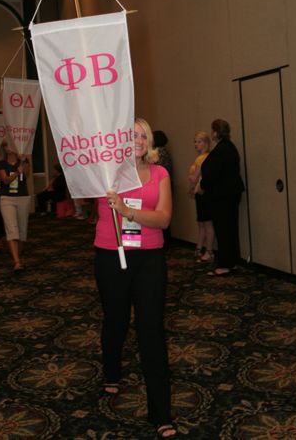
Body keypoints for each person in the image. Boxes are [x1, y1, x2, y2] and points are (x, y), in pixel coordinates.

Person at [94, 118, 176, 439]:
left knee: (151, 331)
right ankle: (111, 370)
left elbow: (164, 219)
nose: (138, 140)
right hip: (110, 255)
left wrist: (128, 211)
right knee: (115, 321)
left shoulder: (160, 174)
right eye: (132, 134)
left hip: (150, 259)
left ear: (149, 142)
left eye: (143, 135)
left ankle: (161, 412)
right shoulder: (106, 173)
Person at [200, 119, 245, 276]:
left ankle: (226, 264)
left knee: (224, 229)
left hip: (223, 196)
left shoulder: (221, 150)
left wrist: (203, 185)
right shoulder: (229, 147)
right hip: (229, 195)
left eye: (212, 130)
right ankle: (231, 261)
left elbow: (212, 173)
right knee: (230, 228)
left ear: (216, 132)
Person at [0, 142, 30, 271]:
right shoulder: (2, 164)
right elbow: (5, 180)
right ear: (5, 148)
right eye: (8, 145)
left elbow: (27, 174)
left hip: (23, 198)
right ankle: (17, 262)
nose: (11, 147)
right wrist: (17, 172)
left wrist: (23, 162)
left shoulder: (23, 160)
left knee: (22, 231)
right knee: (12, 230)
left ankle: (18, 255)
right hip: (7, 199)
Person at [188, 131, 215, 262]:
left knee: (206, 223)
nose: (195, 144)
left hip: (204, 194)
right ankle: (200, 248)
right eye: (195, 141)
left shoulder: (202, 158)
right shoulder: (206, 157)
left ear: (206, 143)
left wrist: (191, 179)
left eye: (199, 141)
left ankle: (209, 251)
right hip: (201, 193)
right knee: (202, 223)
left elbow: (194, 178)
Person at [153, 130, 173, 250]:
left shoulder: (158, 153)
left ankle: (164, 242)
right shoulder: (166, 151)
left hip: (162, 185)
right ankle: (166, 241)